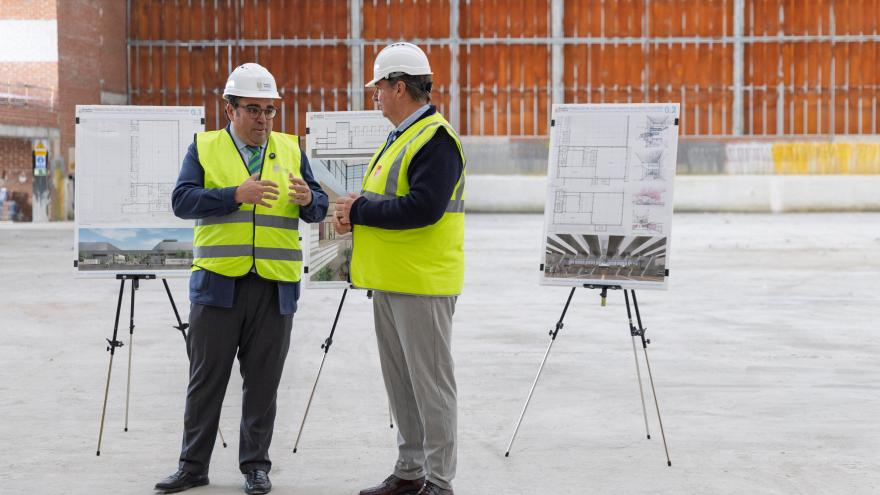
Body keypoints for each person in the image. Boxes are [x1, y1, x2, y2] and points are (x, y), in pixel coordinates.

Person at [156, 63, 328, 495]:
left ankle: (255, 466)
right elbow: (182, 200)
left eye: (269, 111)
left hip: (274, 289)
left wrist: (310, 198)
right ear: (228, 108)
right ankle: (192, 466)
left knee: (263, 384)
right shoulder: (205, 147)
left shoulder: (290, 148)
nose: (263, 120)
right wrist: (234, 195)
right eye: (253, 109)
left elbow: (319, 206)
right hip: (218, 286)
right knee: (205, 382)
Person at [334, 42, 465, 495]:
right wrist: (357, 209)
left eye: (380, 87)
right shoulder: (401, 137)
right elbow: (386, 200)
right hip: (392, 282)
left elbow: (424, 208)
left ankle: (439, 481)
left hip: (422, 284)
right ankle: (410, 472)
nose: (374, 95)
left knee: (431, 388)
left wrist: (360, 212)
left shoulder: (436, 140)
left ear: (401, 86)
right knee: (401, 386)